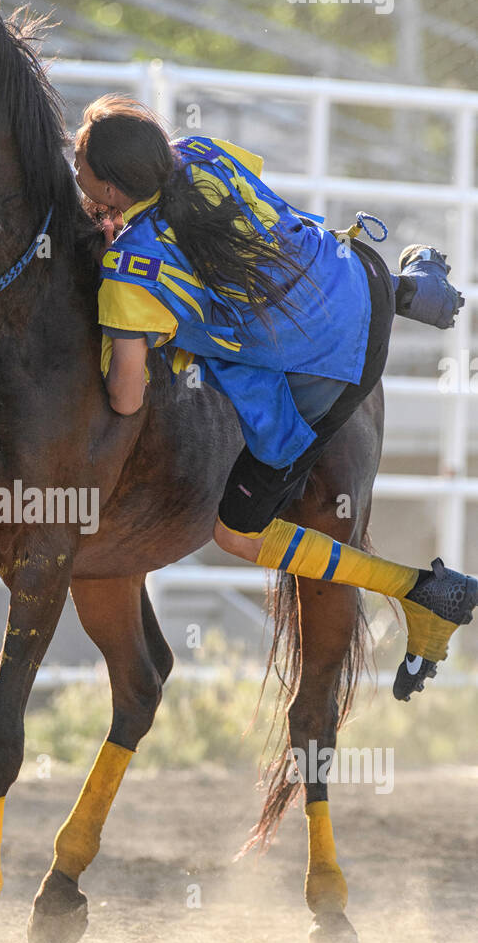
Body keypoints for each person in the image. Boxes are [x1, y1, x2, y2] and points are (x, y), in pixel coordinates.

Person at [73, 95, 475, 701]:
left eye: (81, 167)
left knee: (237, 533)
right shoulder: (200, 154)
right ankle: (411, 287)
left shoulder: (132, 270)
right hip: (355, 276)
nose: (73, 173)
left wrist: (118, 347)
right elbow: (262, 224)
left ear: (108, 189)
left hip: (333, 374)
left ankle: (423, 591)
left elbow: (127, 400)